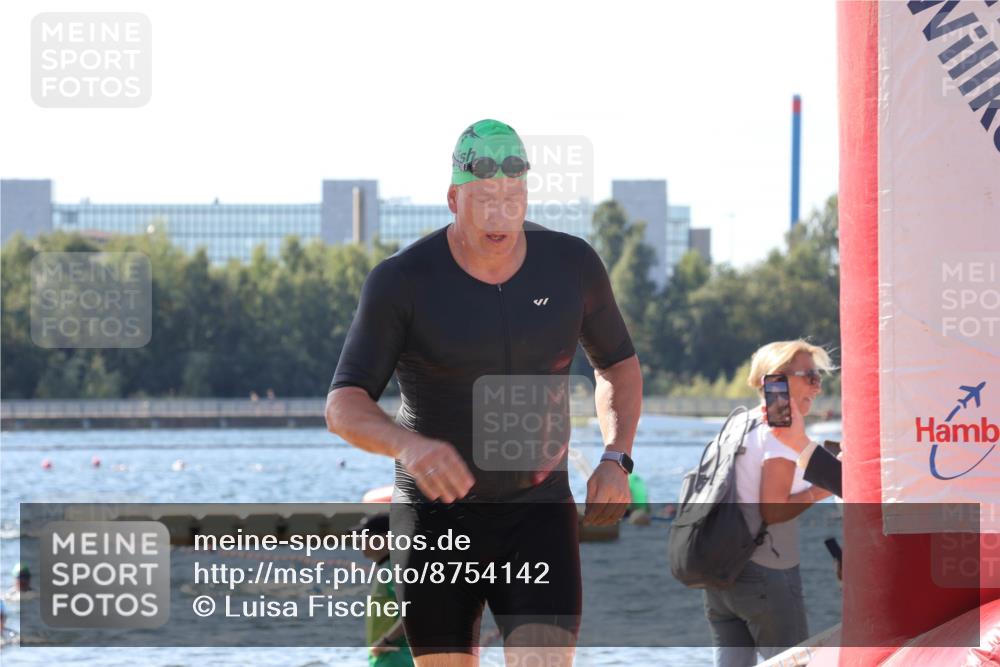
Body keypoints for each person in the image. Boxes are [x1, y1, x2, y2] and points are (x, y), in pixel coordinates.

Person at [325, 119, 642, 667]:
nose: (500, 214)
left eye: (512, 197)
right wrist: (407, 445)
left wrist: (617, 455)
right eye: (484, 199)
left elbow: (617, 365)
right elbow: (343, 404)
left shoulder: (570, 265)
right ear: (453, 198)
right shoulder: (403, 280)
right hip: (436, 521)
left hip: (538, 516)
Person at [703, 340, 834, 667]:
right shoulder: (781, 432)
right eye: (811, 377)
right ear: (778, 378)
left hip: (719, 572)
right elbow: (772, 509)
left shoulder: (736, 423)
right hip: (767, 572)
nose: (817, 389)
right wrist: (823, 488)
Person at [352, 514, 414, 667]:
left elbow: (414, 611)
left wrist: (385, 641)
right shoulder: (387, 567)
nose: (359, 542)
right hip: (387, 658)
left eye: (365, 536)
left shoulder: (395, 568)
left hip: (397, 657)